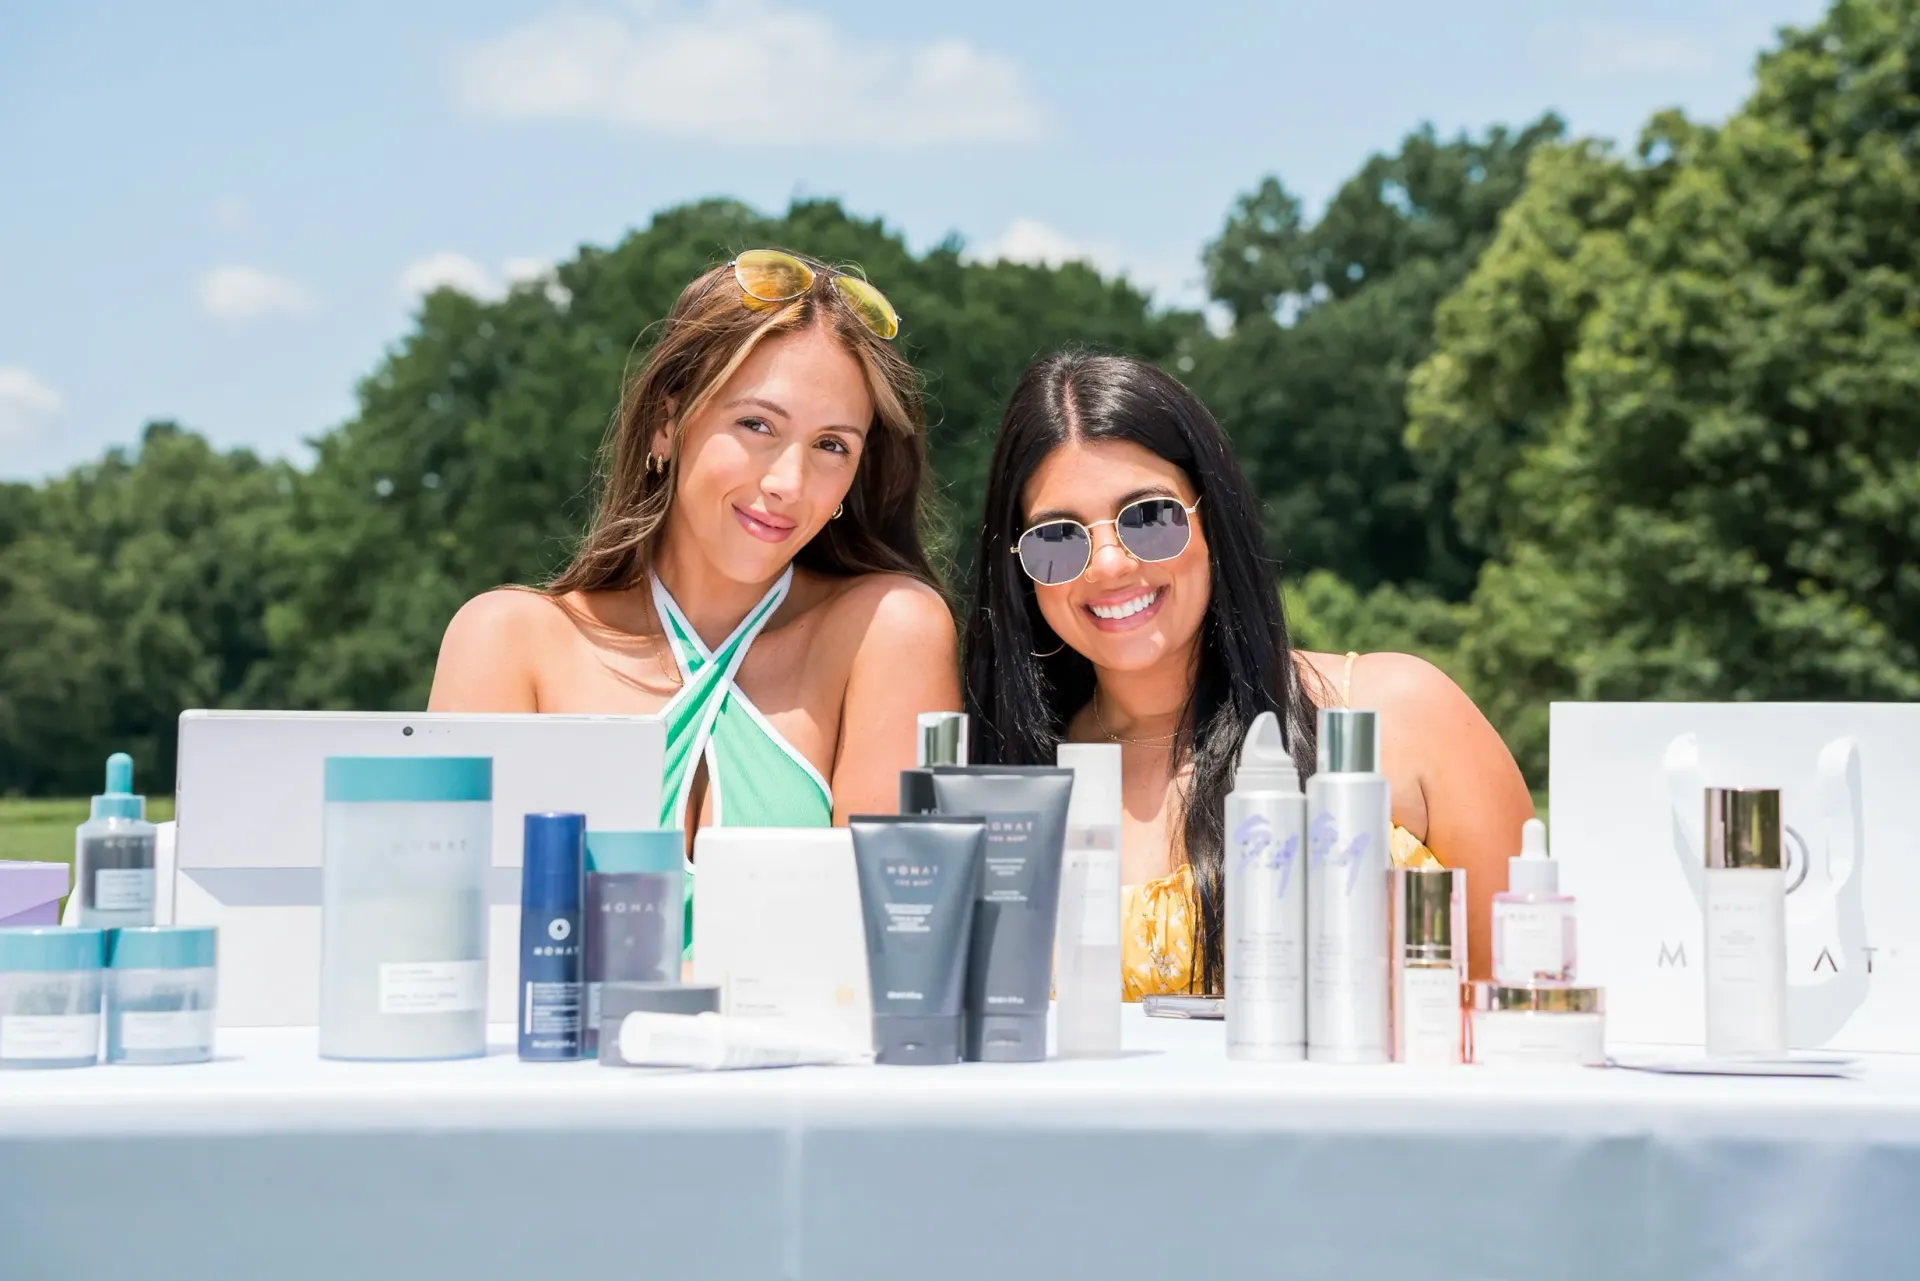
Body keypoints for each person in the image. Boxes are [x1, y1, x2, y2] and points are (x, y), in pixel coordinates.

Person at [961, 351, 1531, 995]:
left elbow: (1523, 1014)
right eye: (1057, 537)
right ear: (1019, 571)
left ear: (1214, 514)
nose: (1110, 564)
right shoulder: (1014, 787)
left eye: (1149, 517)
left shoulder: (1403, 711)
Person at [430, 248, 959, 853]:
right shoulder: (507, 642)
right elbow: (457, 923)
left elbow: (892, 929)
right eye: (757, 425)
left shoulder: (884, 631)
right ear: (666, 424)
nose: (788, 481)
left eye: (831, 445)